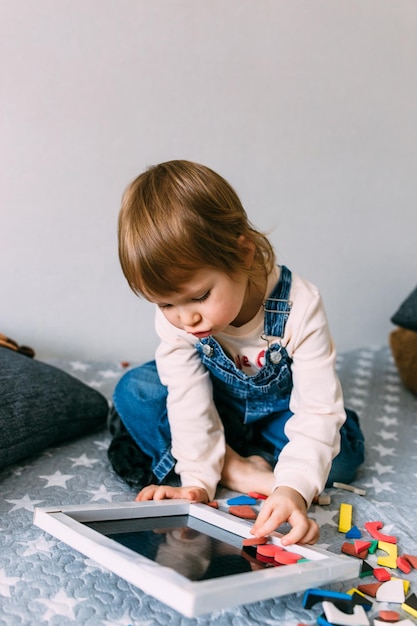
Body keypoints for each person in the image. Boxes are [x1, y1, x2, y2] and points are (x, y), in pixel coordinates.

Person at [108, 160, 364, 546]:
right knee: (135, 391)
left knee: (341, 456)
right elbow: (187, 397)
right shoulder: (179, 318)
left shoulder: (300, 304)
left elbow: (316, 409)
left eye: (199, 296)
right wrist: (196, 482)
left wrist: (293, 488)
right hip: (216, 405)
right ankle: (236, 469)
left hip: (281, 411)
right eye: (165, 305)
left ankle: (240, 460)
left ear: (243, 253)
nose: (186, 317)